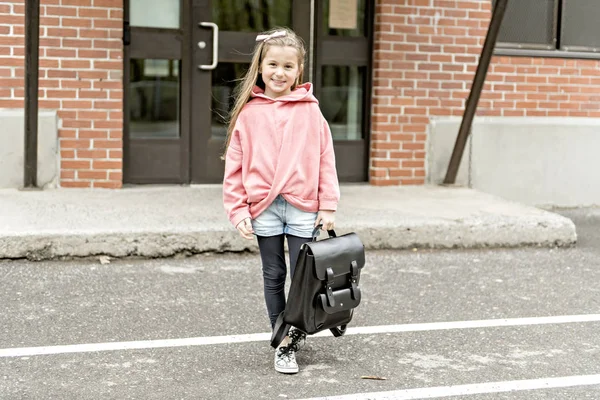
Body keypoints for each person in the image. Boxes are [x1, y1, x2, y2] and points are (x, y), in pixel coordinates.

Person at [222, 27, 340, 374]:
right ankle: (284, 338)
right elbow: (235, 166)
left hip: (303, 206)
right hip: (264, 208)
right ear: (260, 67)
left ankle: (292, 335)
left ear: (298, 71)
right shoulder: (249, 114)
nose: (279, 72)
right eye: (273, 64)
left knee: (304, 279)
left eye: (288, 67)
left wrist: (328, 204)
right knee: (273, 274)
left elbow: (325, 159)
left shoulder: (311, 113)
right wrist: (237, 209)